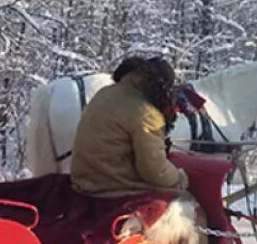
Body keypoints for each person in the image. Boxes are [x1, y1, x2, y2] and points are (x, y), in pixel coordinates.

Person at [70, 56, 189, 196]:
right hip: (114, 189)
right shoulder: (146, 113)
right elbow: (155, 172)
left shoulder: (104, 93)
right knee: (188, 203)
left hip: (84, 182)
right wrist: (180, 177)